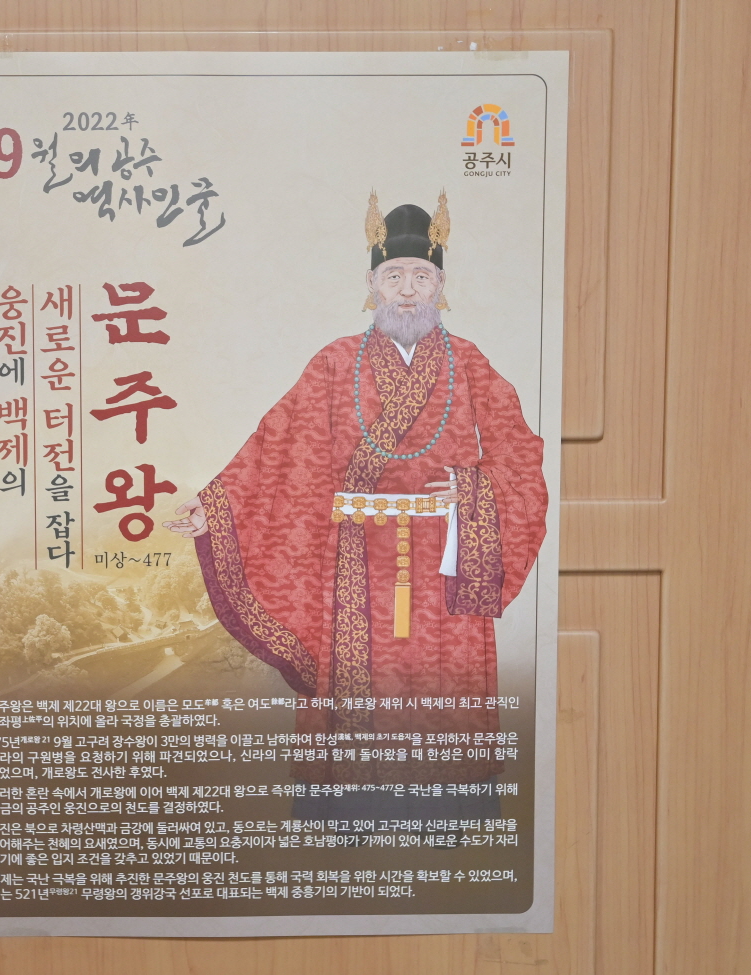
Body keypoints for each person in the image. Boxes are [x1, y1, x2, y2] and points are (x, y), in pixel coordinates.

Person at [164, 192, 547, 813]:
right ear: (371, 283)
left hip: (443, 557)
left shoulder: (469, 362)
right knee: (350, 687)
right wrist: (218, 504)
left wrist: (477, 490)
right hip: (354, 561)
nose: (406, 291)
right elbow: (278, 442)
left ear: (441, 285)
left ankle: (443, 814)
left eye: (420, 276)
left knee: (440, 687)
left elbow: (520, 453)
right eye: (393, 276)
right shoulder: (334, 362)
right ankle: (350, 812)